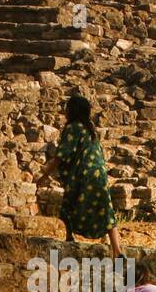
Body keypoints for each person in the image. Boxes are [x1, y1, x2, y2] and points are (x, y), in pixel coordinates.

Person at [35, 93, 122, 257]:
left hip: (81, 174)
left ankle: (69, 237)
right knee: (106, 208)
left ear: (73, 111)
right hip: (99, 175)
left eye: (67, 109)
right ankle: (117, 249)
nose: (64, 112)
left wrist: (44, 174)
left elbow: (62, 155)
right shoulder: (90, 130)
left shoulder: (73, 128)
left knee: (69, 203)